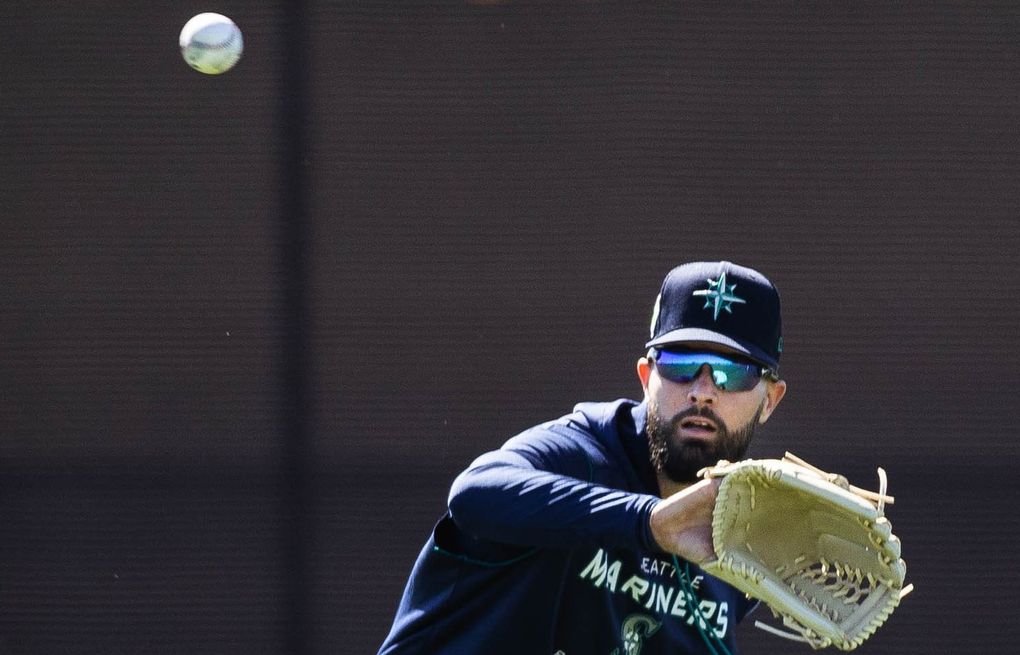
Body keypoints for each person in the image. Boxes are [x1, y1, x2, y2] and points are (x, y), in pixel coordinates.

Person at [378, 261, 789, 655]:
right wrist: (648, 521)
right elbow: (473, 492)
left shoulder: (736, 552)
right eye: (679, 364)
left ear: (769, 400)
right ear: (647, 379)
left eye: (732, 372)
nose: (702, 391)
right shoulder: (584, 455)